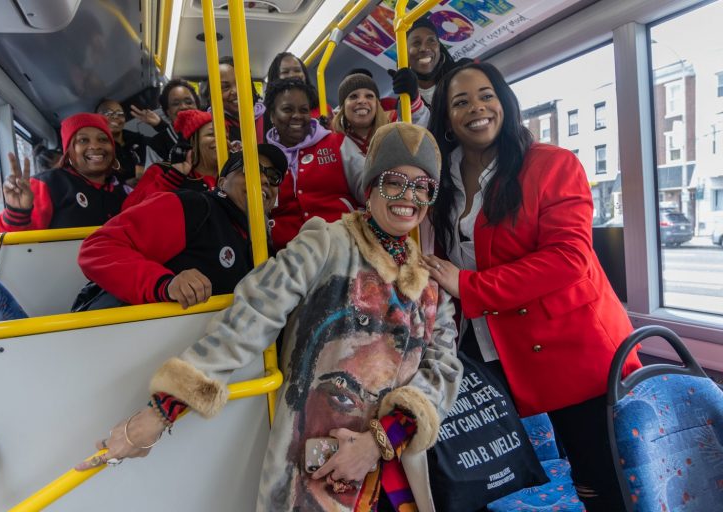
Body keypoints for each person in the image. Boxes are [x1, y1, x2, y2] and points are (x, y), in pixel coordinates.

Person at [76, 123, 461, 512]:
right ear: (371, 185)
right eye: (395, 182)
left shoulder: (431, 285)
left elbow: (442, 371)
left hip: (393, 474)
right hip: (311, 466)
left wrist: (376, 444)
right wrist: (162, 411)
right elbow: (251, 318)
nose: (408, 197)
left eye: (422, 186)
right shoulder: (325, 244)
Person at [420, 61, 642, 512]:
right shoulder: (440, 180)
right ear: (445, 117)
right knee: (475, 469)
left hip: (571, 346)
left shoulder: (553, 165)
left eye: (486, 95)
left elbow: (568, 260)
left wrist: (467, 285)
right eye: (460, 101)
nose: (477, 108)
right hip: (489, 346)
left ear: (505, 102)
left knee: (598, 476)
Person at [76, 145, 286, 310]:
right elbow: (98, 248)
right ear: (221, 183)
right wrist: (165, 284)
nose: (264, 180)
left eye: (273, 177)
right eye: (249, 169)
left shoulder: (261, 247)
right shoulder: (194, 206)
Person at [264, 78, 362, 250]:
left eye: (304, 110)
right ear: (272, 115)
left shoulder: (336, 143)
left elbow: (368, 187)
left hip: (344, 245)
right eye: (287, 109)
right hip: (288, 256)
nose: (297, 116)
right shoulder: (262, 158)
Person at [0, 113, 128, 233]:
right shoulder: (46, 185)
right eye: (83, 140)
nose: (96, 146)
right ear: (68, 151)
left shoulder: (123, 191)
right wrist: (17, 213)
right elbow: (4, 249)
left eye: (103, 140)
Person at [121, 109, 223, 210]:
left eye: (225, 135)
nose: (222, 140)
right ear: (191, 142)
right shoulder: (162, 171)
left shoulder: (230, 173)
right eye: (211, 134)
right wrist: (172, 178)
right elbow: (130, 210)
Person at [390, 16, 458, 114]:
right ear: (404, 53)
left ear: (439, 46)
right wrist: (413, 101)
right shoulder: (405, 105)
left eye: (431, 40)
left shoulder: (462, 76)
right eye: (416, 43)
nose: (424, 48)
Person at [137, 79, 200, 168]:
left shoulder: (211, 134)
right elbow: (152, 180)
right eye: (175, 104)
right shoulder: (156, 145)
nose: (183, 107)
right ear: (168, 112)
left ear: (197, 107)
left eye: (189, 102)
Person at [95, 98, 146, 184]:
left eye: (120, 113)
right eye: (108, 113)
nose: (115, 117)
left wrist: (158, 124)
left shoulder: (138, 139)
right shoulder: (97, 150)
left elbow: (165, 148)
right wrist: (124, 186)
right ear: (96, 118)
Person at [218, 56, 266, 147]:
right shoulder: (211, 126)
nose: (235, 91)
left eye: (240, 83)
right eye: (225, 87)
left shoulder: (270, 117)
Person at [265, 52, 325, 121]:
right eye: (285, 72)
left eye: (297, 70)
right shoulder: (267, 116)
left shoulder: (323, 108)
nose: (292, 75)